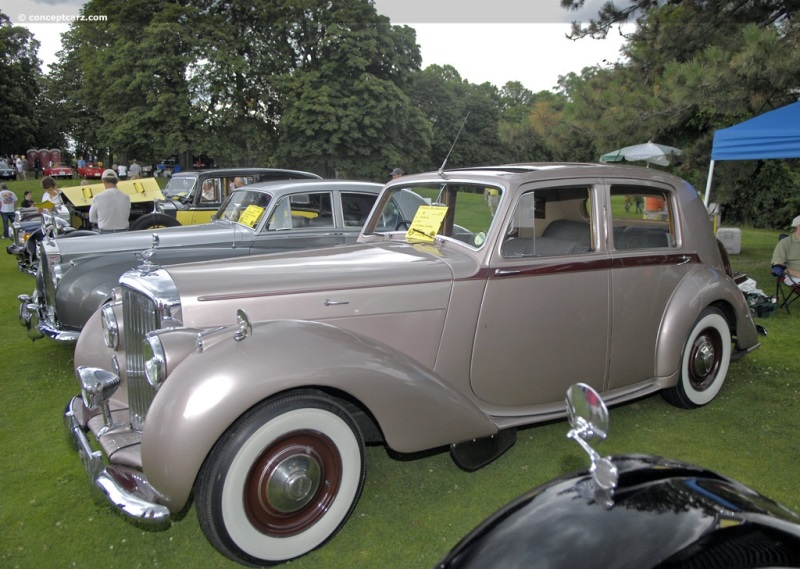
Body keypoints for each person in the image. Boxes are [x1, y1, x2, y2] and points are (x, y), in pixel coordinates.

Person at [771, 215, 800, 285]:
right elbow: (778, 265)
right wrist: (798, 274)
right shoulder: (785, 243)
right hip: (795, 277)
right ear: (798, 226)